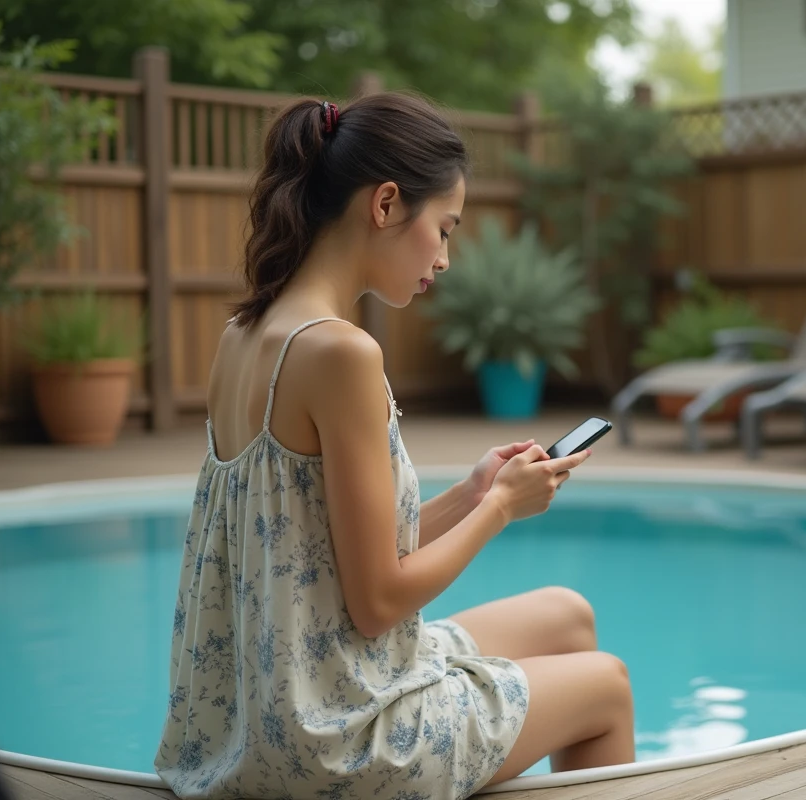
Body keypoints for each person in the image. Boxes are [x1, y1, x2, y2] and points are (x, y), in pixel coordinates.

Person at [153, 93, 635, 800]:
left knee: (568, 615)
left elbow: (323, 548)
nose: (444, 258)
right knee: (607, 683)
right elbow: (378, 601)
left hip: (255, 722)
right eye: (443, 229)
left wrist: (472, 493)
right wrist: (500, 509)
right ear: (384, 205)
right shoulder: (341, 354)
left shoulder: (244, 336)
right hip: (336, 743)